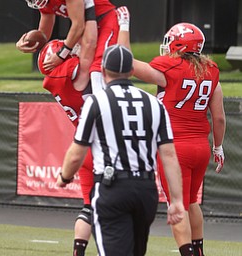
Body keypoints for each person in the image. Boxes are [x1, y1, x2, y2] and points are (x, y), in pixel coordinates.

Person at [116, 6, 226, 256]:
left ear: (178, 46)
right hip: (200, 148)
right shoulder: (211, 73)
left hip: (175, 148)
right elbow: (218, 118)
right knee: (191, 202)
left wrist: (123, 27)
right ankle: (198, 252)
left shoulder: (170, 71)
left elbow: (127, 64)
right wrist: (218, 146)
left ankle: (186, 253)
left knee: (178, 205)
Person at [57, 44, 185, 256]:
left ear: (104, 71)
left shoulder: (97, 101)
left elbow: (77, 151)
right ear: (132, 71)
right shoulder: (154, 103)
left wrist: (64, 177)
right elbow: (169, 155)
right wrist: (177, 200)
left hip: (112, 187)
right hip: (145, 190)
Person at [38, 39, 93, 256]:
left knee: (88, 208)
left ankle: (78, 252)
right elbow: (88, 58)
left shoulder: (54, 80)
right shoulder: (69, 70)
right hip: (102, 145)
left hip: (83, 146)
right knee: (114, 210)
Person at [16, 0, 120, 93]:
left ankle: (104, 106)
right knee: (94, 68)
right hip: (88, 27)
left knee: (98, 67)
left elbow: (78, 26)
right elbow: (43, 35)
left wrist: (61, 54)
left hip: (105, 19)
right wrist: (26, 42)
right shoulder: (46, 4)